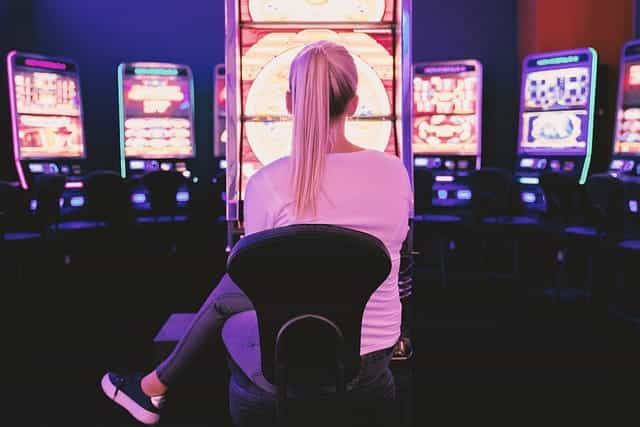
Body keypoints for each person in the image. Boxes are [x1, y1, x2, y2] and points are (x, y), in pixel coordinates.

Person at [101, 40, 412, 425]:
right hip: (373, 360)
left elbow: (258, 287)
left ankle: (154, 387)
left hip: (285, 364)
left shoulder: (267, 182)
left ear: (289, 102)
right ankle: (153, 387)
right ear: (353, 104)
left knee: (230, 299)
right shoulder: (395, 172)